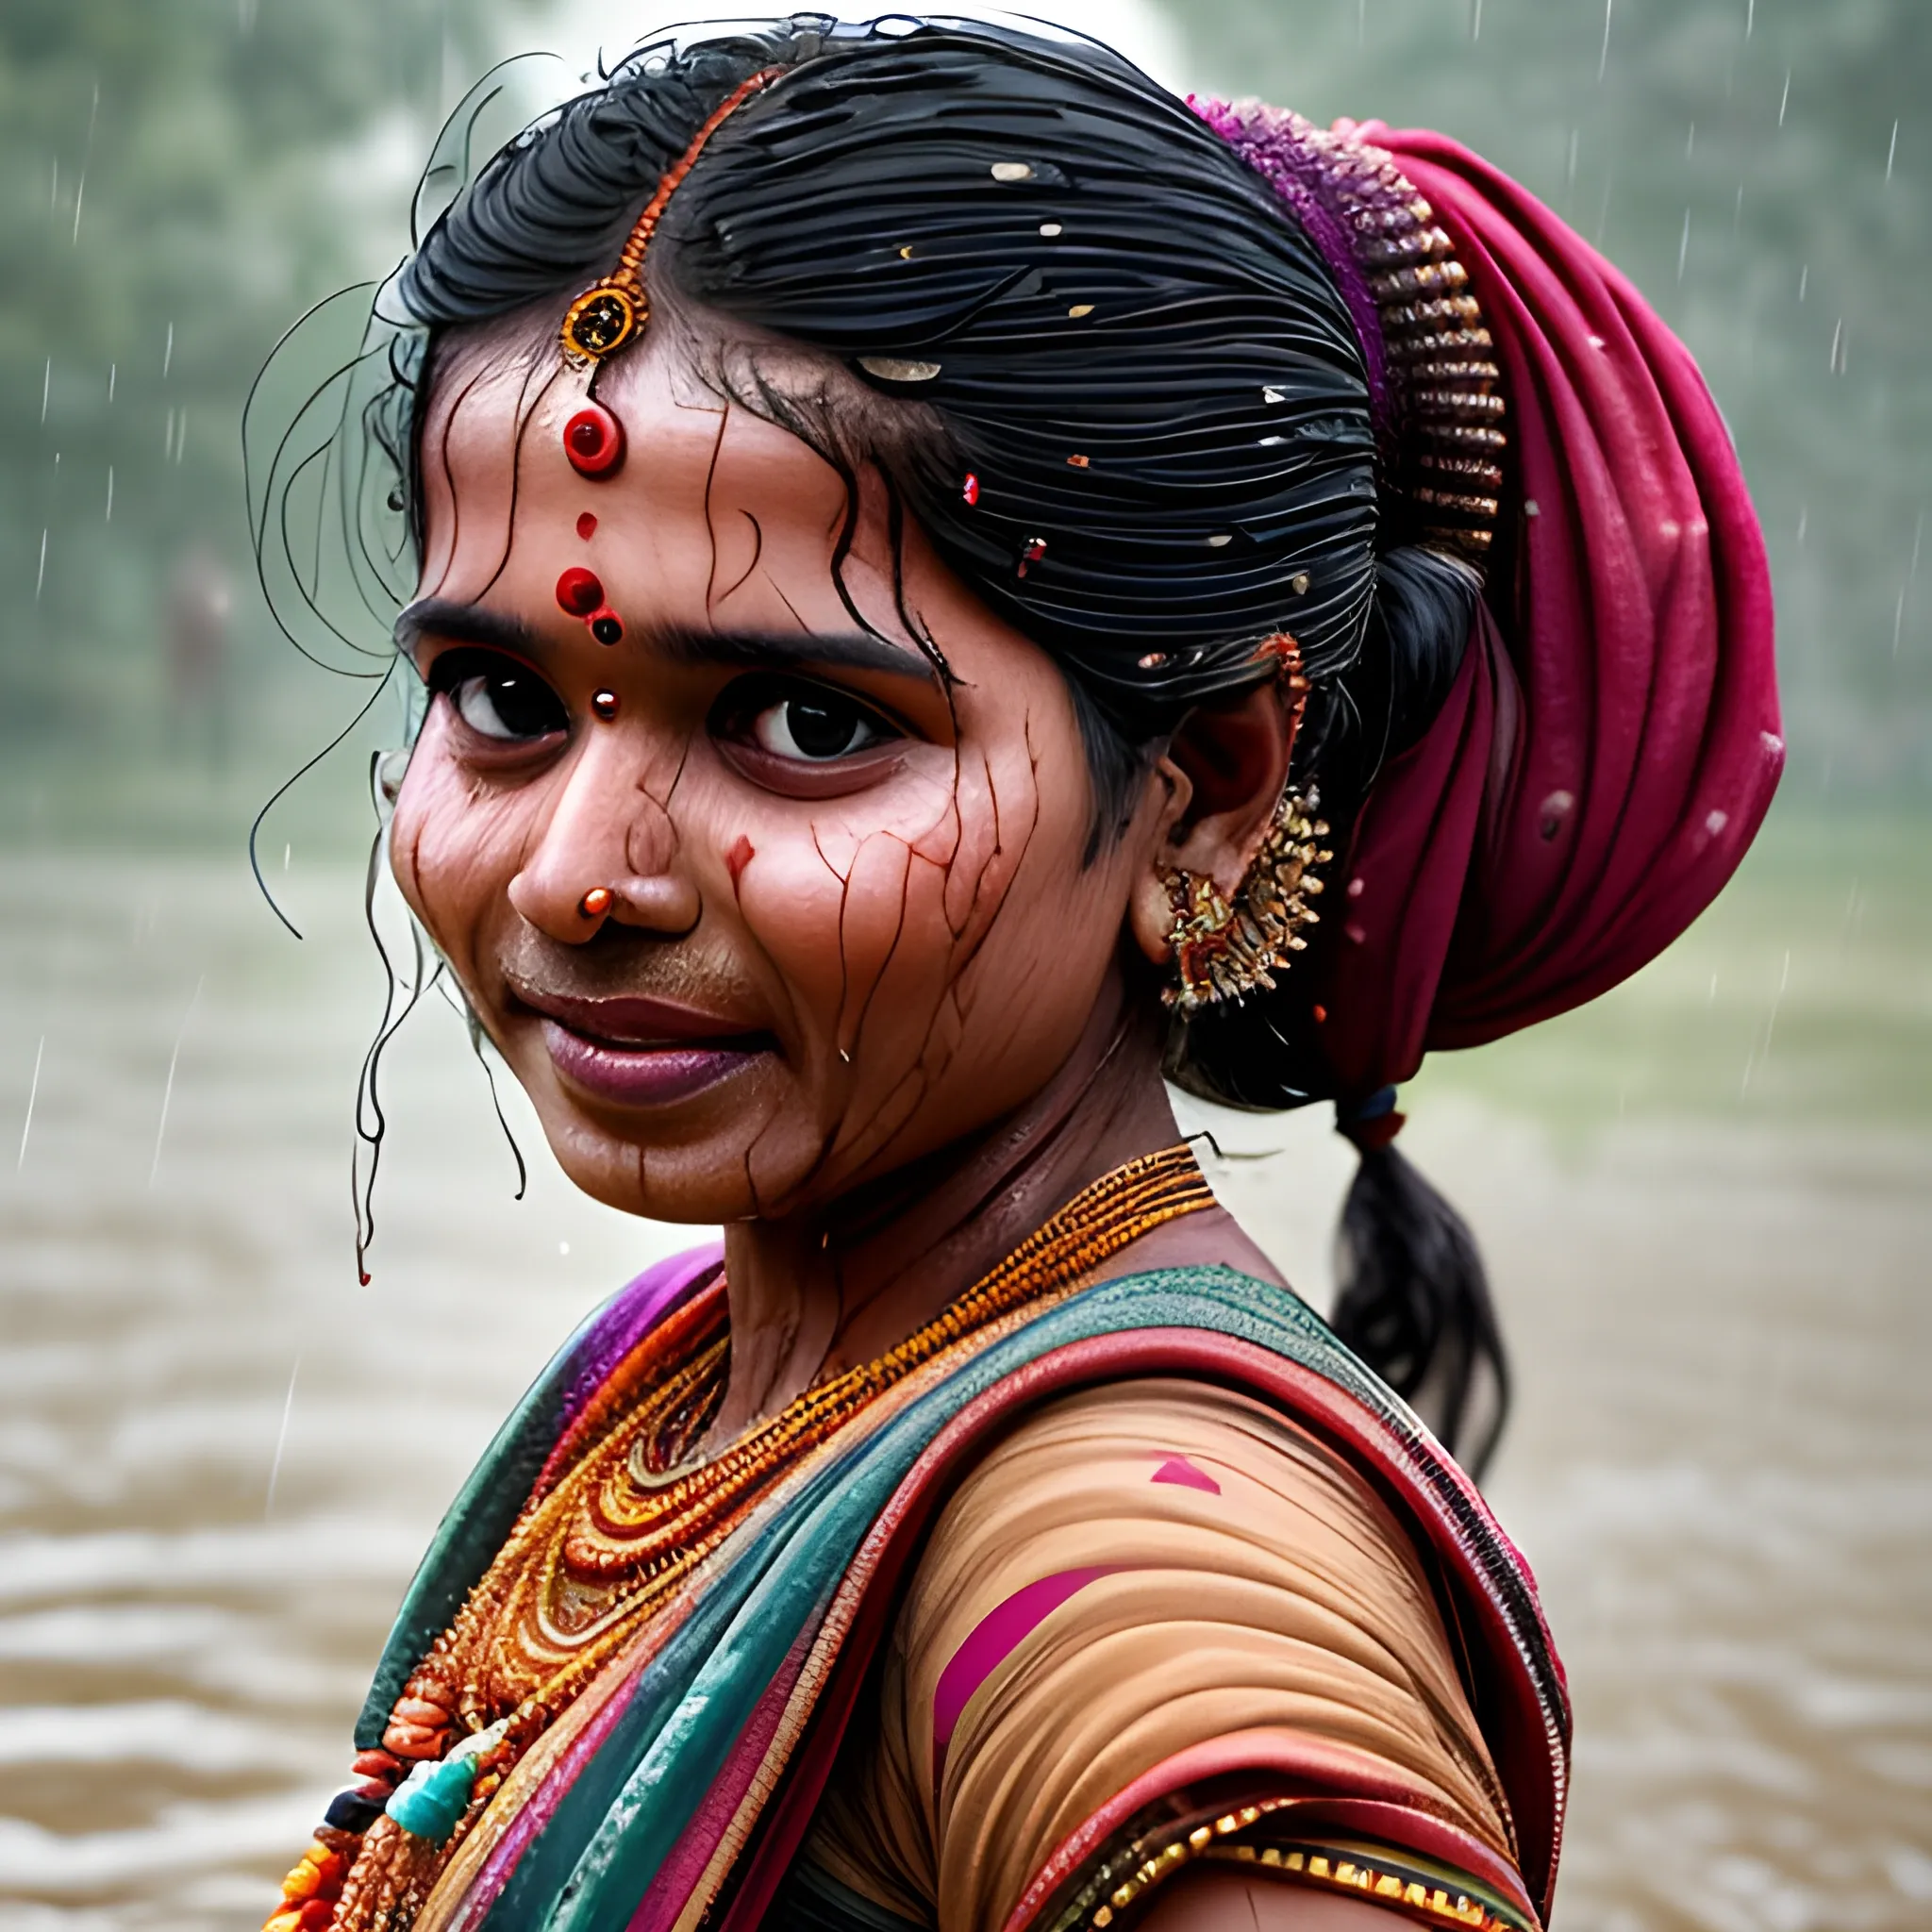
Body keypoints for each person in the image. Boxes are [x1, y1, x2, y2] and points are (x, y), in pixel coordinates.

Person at [248, 16, 1780, 1931]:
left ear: (1208, 792)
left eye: (805, 721)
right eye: (502, 701)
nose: (577, 876)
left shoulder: (1132, 1564)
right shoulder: (695, 1376)